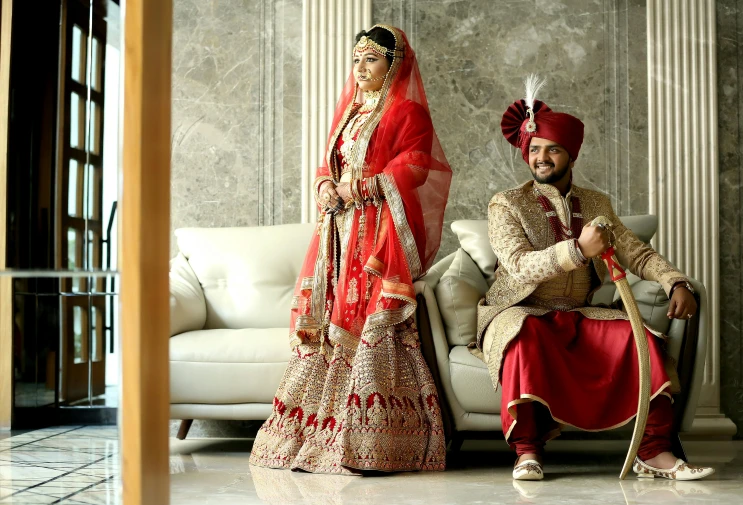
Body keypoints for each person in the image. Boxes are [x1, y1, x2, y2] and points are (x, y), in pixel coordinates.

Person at [475, 76, 714, 481]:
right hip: (517, 310)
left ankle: (654, 452)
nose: (542, 158)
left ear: (572, 155)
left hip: (581, 312)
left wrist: (676, 281)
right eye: (534, 150)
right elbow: (518, 264)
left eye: (553, 149)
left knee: (640, 339)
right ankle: (528, 452)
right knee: (526, 335)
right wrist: (578, 251)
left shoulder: (596, 203)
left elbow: (635, 252)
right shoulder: (506, 204)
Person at [249, 25, 451, 475]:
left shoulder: (407, 111)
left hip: (378, 229)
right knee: (332, 320)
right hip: (339, 232)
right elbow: (329, 162)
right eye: (357, 59)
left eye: (372, 59)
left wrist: (363, 187)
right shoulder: (351, 111)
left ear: (393, 64)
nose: (360, 68)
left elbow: (418, 165)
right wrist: (325, 185)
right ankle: (318, 432)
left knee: (368, 317)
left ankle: (378, 442)